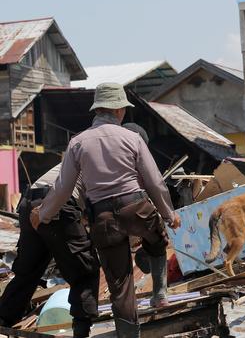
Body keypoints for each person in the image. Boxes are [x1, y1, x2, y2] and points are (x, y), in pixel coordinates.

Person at [31, 83, 182, 337]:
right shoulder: (132, 138)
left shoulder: (78, 143)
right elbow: (154, 181)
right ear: (120, 109)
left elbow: (62, 188)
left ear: (97, 109)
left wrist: (43, 215)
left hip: (102, 219)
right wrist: (170, 214)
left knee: (120, 286)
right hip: (136, 208)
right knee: (158, 239)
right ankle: (160, 294)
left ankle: (128, 335)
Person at [0, 166, 99, 338]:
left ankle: (3, 320)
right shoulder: (108, 161)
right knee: (85, 270)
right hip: (58, 202)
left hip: (29, 201)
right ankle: (81, 330)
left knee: (28, 272)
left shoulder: (83, 150)